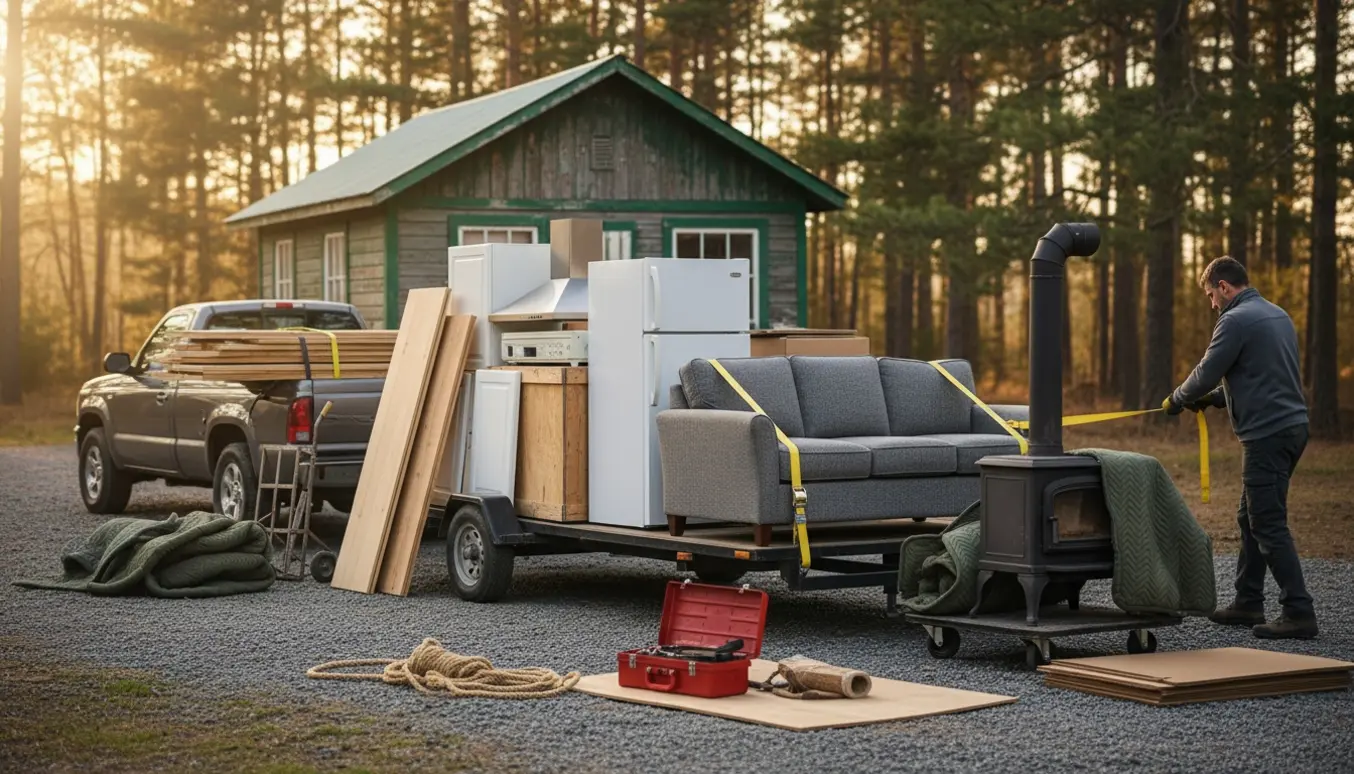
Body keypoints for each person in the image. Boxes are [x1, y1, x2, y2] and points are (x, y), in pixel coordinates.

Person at [1161, 256, 1316, 640]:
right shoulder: (1276, 314)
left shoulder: (1233, 319)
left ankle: (1299, 611)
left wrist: (1178, 398)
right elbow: (1260, 373)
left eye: (1212, 295)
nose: (1212, 303)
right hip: (1292, 428)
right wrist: (1216, 400)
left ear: (1224, 287)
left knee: (1267, 521)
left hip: (1267, 435)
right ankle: (1248, 602)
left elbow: (1207, 369)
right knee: (1250, 517)